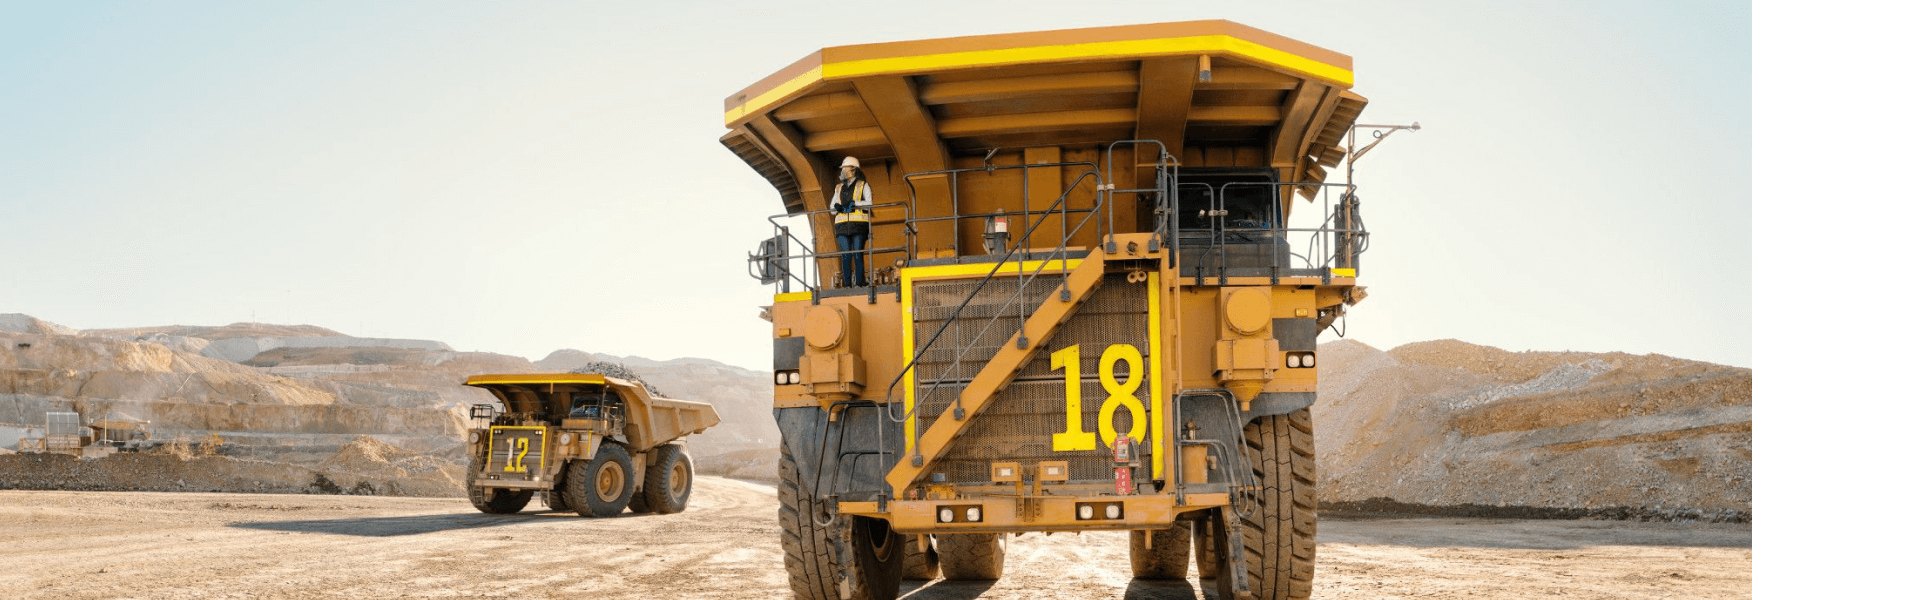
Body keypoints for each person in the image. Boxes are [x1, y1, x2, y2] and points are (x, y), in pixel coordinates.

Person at [830, 156, 874, 287]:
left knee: (857, 255)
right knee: (846, 256)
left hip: (859, 226)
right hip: (842, 227)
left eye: (845, 168)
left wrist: (855, 204)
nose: (842, 170)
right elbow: (832, 209)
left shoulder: (863, 185)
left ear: (853, 169)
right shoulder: (838, 188)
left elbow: (870, 204)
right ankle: (848, 284)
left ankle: (860, 283)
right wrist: (837, 207)